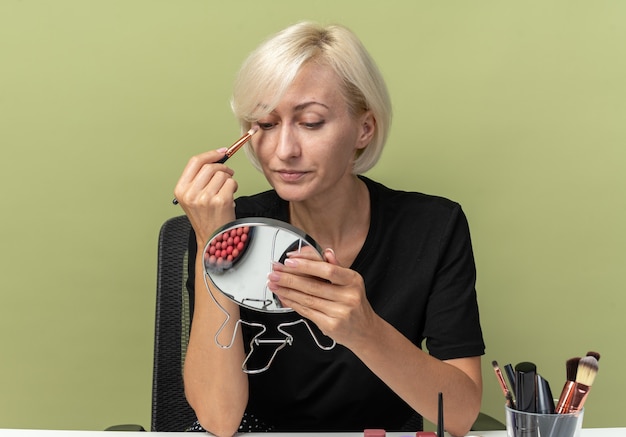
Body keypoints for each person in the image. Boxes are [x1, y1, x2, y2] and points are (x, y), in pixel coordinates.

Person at [174, 21, 484, 437]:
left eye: (312, 122)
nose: (284, 150)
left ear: (364, 128)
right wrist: (216, 246)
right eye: (265, 125)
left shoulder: (434, 228)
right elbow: (218, 419)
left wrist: (364, 329)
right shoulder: (230, 225)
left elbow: (460, 416)